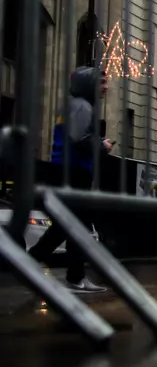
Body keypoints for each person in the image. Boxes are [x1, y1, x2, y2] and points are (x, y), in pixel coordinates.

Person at [29, 67, 110, 293]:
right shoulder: (82, 107)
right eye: (101, 82)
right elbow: (79, 140)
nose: (106, 87)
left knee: (67, 227)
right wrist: (102, 145)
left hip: (67, 172)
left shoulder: (74, 106)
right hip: (74, 174)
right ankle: (73, 277)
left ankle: (32, 262)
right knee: (77, 227)